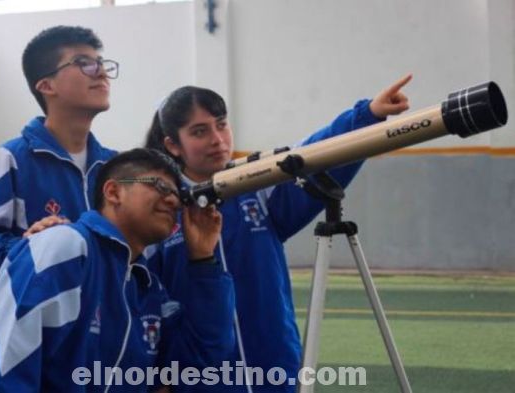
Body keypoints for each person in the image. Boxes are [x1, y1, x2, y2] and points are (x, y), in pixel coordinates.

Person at [144, 75, 412, 392]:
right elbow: (146, 303)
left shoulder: (258, 187)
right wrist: (159, 373)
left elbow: (311, 156)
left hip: (273, 364)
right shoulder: (160, 208)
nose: (217, 139)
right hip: (199, 376)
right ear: (173, 144)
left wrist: (367, 116)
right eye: (200, 132)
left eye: (221, 124)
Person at [0, 148, 235, 392]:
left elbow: (201, 366)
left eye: (177, 195)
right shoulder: (63, 248)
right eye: (159, 186)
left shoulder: (147, 289)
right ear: (113, 192)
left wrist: (202, 259)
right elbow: (7, 364)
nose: (173, 201)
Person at [0, 25, 118, 302]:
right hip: (42, 336)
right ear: (47, 85)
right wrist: (26, 248)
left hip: (108, 332)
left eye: (101, 63)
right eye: (85, 64)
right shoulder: (11, 160)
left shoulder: (114, 166)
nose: (102, 73)